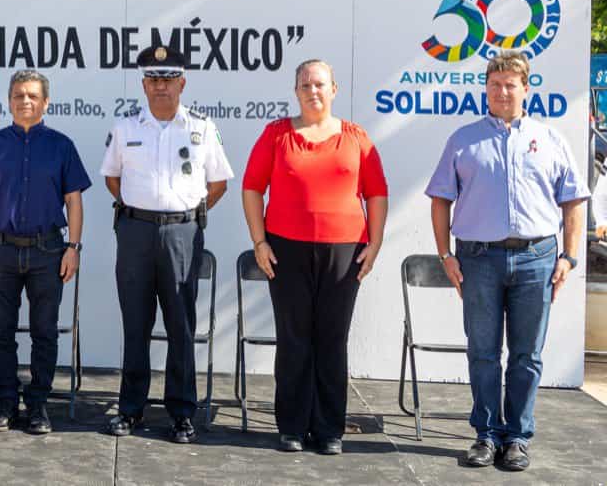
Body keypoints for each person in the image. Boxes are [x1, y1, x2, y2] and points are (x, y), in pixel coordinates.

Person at [426, 50, 588, 472]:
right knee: (482, 352)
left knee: (527, 355)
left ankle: (516, 437)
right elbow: (441, 199)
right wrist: (446, 255)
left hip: (537, 258)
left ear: (525, 88)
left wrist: (569, 256)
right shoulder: (462, 140)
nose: (501, 92)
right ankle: (485, 434)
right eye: (494, 85)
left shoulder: (551, 139)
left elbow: (573, 202)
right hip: (478, 259)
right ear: (486, 89)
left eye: (510, 85)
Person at [241, 59, 388, 455]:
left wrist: (374, 245)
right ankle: (291, 425)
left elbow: (376, 193)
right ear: (296, 92)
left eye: (320, 84)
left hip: (344, 251)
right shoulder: (275, 135)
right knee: (293, 339)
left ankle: (328, 429)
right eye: (305, 85)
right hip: (285, 249)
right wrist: (260, 242)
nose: (313, 91)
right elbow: (252, 188)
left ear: (334, 90)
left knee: (331, 338)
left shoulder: (356, 138)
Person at [101, 45, 232, 443]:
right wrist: (141, 212)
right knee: (136, 325)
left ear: (182, 82)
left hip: (182, 235)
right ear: (143, 84)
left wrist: (185, 214)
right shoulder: (126, 129)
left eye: (168, 79)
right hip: (136, 233)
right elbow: (112, 178)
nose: (161, 86)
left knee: (180, 326)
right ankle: (130, 410)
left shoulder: (202, 127)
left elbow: (219, 183)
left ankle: (181, 412)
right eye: (154, 79)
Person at [0, 69, 90, 435]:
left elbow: (74, 201)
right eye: (19, 95)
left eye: (33, 95)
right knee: (1, 333)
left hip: (48, 251)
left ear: (45, 102)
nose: (25, 101)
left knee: (44, 333)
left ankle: (38, 407)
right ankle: (5, 404)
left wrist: (74, 248)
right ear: (9, 100)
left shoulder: (61, 146)